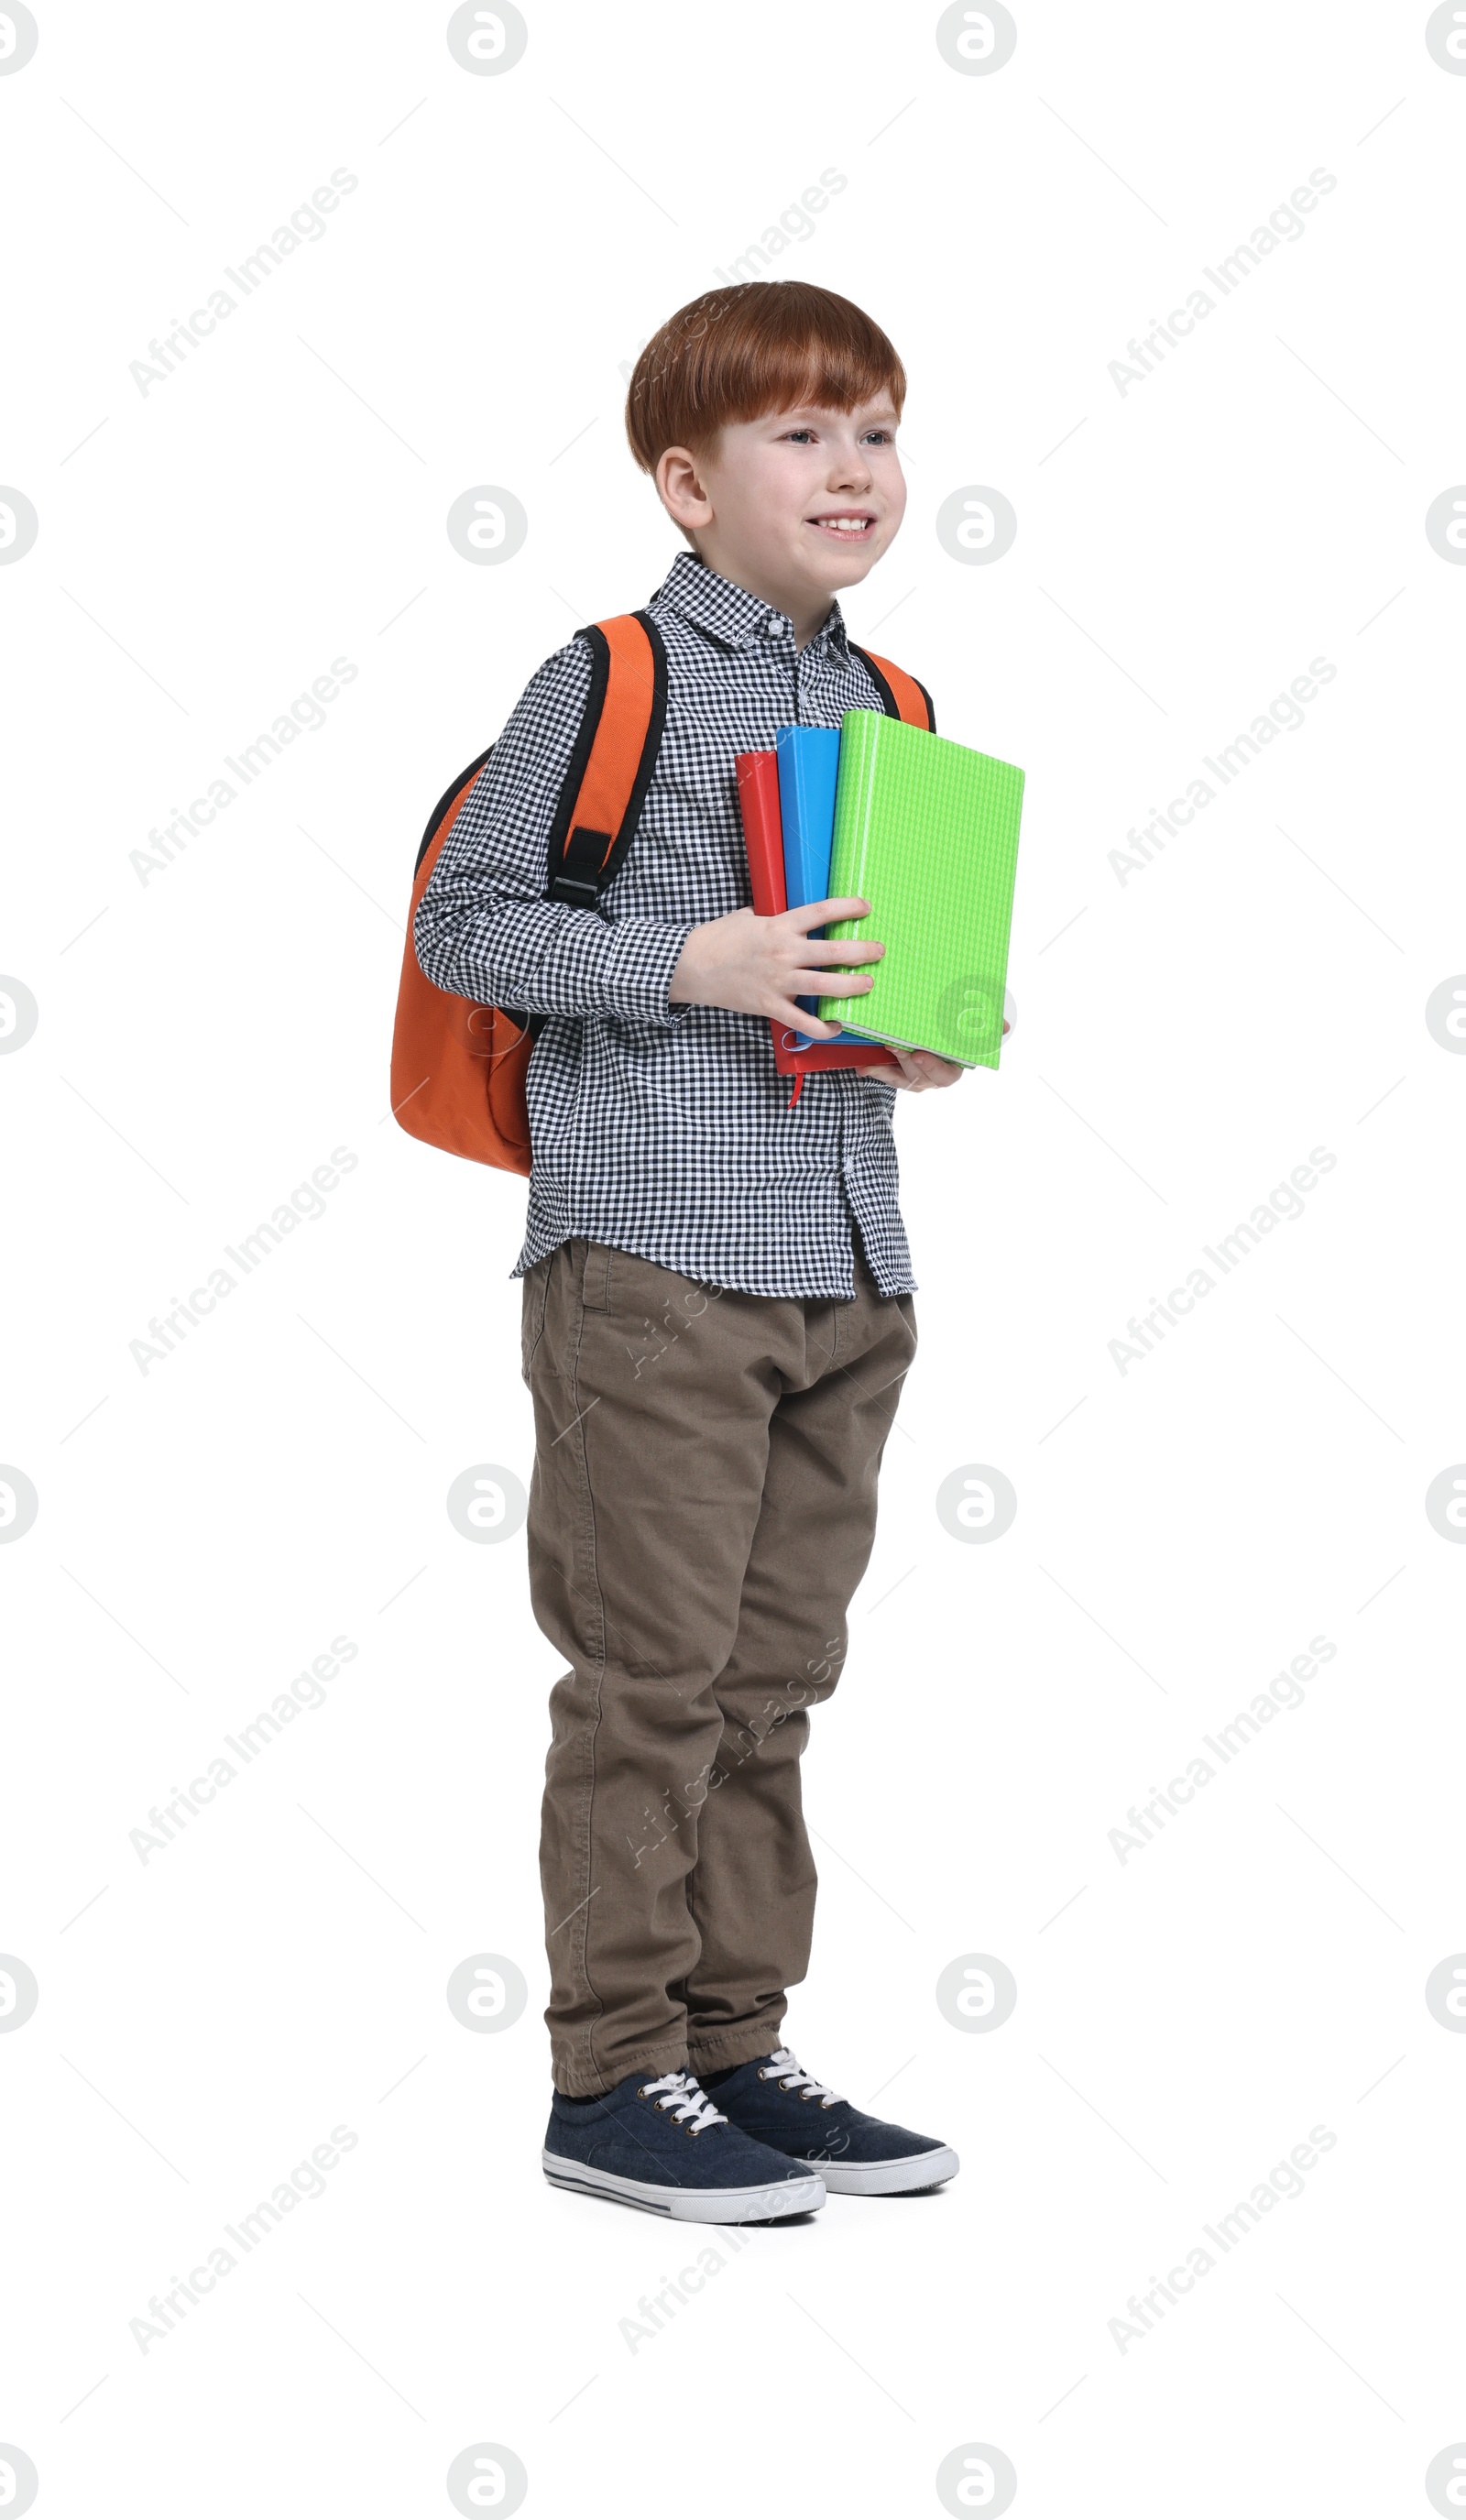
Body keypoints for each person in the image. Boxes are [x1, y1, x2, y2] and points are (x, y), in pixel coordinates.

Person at [415, 279, 963, 2223]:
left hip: (842, 1246)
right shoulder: (607, 677)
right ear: (683, 480)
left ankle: (732, 2042)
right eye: (800, 434)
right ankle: (608, 2074)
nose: (852, 468)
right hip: (648, 1246)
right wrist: (686, 960)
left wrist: (910, 1028)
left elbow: (884, 975)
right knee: (648, 1678)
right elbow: (466, 927)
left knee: (772, 1679)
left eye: (875, 429)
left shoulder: (893, 705)